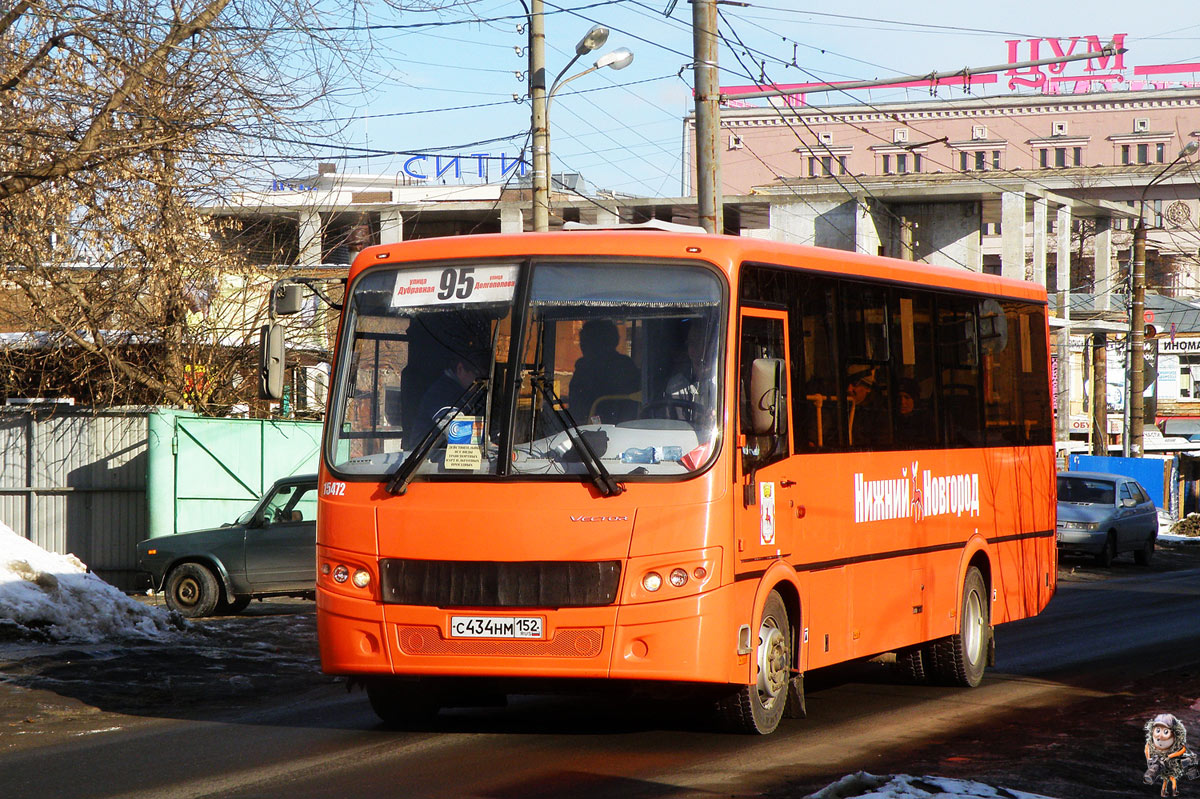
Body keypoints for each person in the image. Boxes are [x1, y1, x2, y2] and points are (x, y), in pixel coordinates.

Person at [567, 320, 640, 424]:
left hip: (619, 433)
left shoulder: (623, 367)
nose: (582, 346)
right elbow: (576, 409)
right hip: (587, 432)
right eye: (582, 342)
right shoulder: (626, 365)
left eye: (587, 341)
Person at [416, 350, 487, 426]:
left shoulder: (472, 392)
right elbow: (457, 430)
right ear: (460, 369)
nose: (483, 383)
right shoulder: (440, 393)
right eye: (479, 376)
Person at [845, 364, 887, 447]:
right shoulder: (841, 410)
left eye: (855, 384)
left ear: (868, 388)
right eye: (847, 384)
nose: (849, 389)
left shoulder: (880, 415)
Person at [894, 377, 932, 447]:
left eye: (907, 397)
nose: (902, 402)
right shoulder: (892, 422)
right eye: (899, 397)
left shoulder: (925, 421)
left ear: (915, 399)